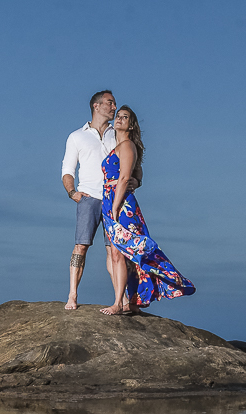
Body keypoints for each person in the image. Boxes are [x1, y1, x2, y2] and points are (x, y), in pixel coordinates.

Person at [100, 106, 195, 316]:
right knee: (119, 253)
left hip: (121, 204)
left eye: (125, 117)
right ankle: (130, 301)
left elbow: (124, 178)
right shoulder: (119, 147)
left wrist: (115, 206)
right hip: (110, 201)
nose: (119, 119)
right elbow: (135, 174)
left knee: (122, 252)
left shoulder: (127, 145)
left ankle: (118, 303)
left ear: (131, 125)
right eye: (118, 116)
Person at [60, 90, 131, 310]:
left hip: (114, 199)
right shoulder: (76, 136)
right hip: (88, 197)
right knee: (80, 246)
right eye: (110, 103)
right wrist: (72, 193)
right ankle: (72, 295)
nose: (114, 107)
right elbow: (67, 170)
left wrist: (135, 181)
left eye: (115, 104)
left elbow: (132, 162)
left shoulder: (116, 134)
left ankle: (122, 299)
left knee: (115, 250)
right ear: (96, 106)